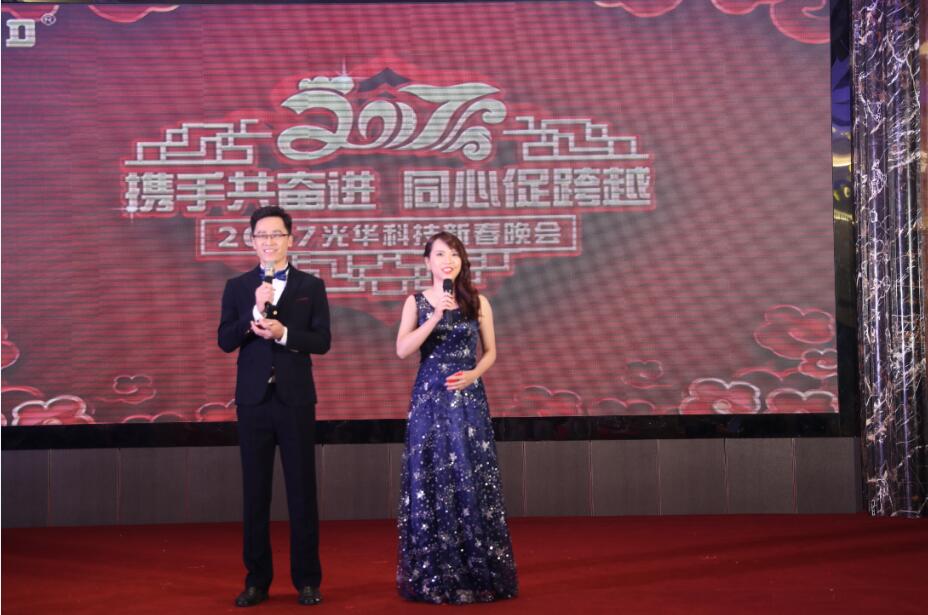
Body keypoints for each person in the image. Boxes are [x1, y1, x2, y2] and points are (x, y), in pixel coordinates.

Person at [394, 231, 518, 604]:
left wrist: (474, 374)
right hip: (429, 400)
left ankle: (476, 570)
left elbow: (491, 351)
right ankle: (434, 572)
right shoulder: (416, 302)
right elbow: (402, 349)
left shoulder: (478, 302)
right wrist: (435, 317)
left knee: (469, 473)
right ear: (427, 261)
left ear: (462, 261)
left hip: (467, 399)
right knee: (431, 475)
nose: (447, 261)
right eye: (440, 254)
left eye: (454, 255)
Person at [218, 206, 331, 608]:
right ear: (252, 241)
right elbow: (225, 340)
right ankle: (256, 581)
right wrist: (253, 313)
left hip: (295, 400)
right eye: (262, 235)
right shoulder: (237, 286)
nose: (269, 241)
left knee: (302, 491)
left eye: (276, 234)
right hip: (253, 401)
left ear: (290, 239)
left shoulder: (310, 285)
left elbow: (322, 341)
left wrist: (284, 334)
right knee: (255, 493)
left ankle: (307, 581)